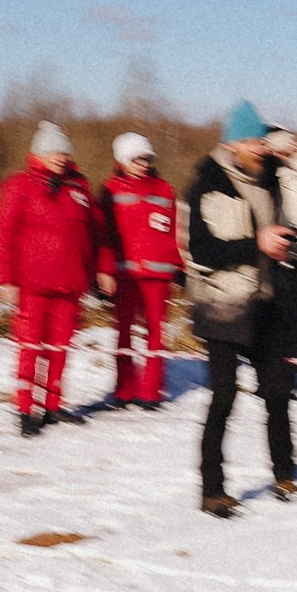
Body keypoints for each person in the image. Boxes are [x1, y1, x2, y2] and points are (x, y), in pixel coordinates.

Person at [185, 100, 297, 515]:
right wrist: (257, 244)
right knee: (224, 397)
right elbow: (202, 251)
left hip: (267, 303)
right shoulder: (206, 184)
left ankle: (285, 474)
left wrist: (286, 245)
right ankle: (212, 490)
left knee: (278, 393)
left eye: (262, 141)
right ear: (231, 144)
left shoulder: (272, 177)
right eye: (252, 141)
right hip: (220, 305)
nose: (260, 148)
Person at [0, 121, 112, 438]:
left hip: (71, 283)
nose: (59, 157)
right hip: (32, 284)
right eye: (52, 152)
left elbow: (99, 234)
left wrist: (103, 270)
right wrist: (6, 279)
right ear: (38, 154)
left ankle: (52, 405)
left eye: (64, 152)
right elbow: (3, 234)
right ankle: (25, 408)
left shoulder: (79, 188)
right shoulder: (19, 185)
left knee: (60, 348)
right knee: (30, 347)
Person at [100, 131, 184, 410]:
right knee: (124, 332)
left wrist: (178, 265)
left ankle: (151, 391)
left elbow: (174, 232)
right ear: (122, 160)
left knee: (156, 333)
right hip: (125, 275)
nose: (143, 165)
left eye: (147, 159)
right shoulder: (110, 190)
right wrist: (104, 271)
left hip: (158, 274)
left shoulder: (164, 190)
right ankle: (124, 389)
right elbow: (104, 235)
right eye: (136, 160)